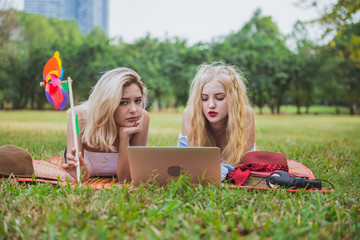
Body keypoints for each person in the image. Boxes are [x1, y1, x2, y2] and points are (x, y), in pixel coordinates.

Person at [62, 67, 150, 182]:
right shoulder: (79, 117)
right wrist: (79, 175)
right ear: (106, 103)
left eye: (138, 101)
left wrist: (124, 138)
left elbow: (127, 179)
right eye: (123, 102)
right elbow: (74, 174)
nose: (134, 109)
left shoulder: (143, 118)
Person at [178, 62, 258, 178]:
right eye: (204, 99)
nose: (211, 105)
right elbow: (183, 162)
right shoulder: (190, 114)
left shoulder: (245, 114)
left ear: (233, 99)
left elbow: (246, 166)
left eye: (219, 98)